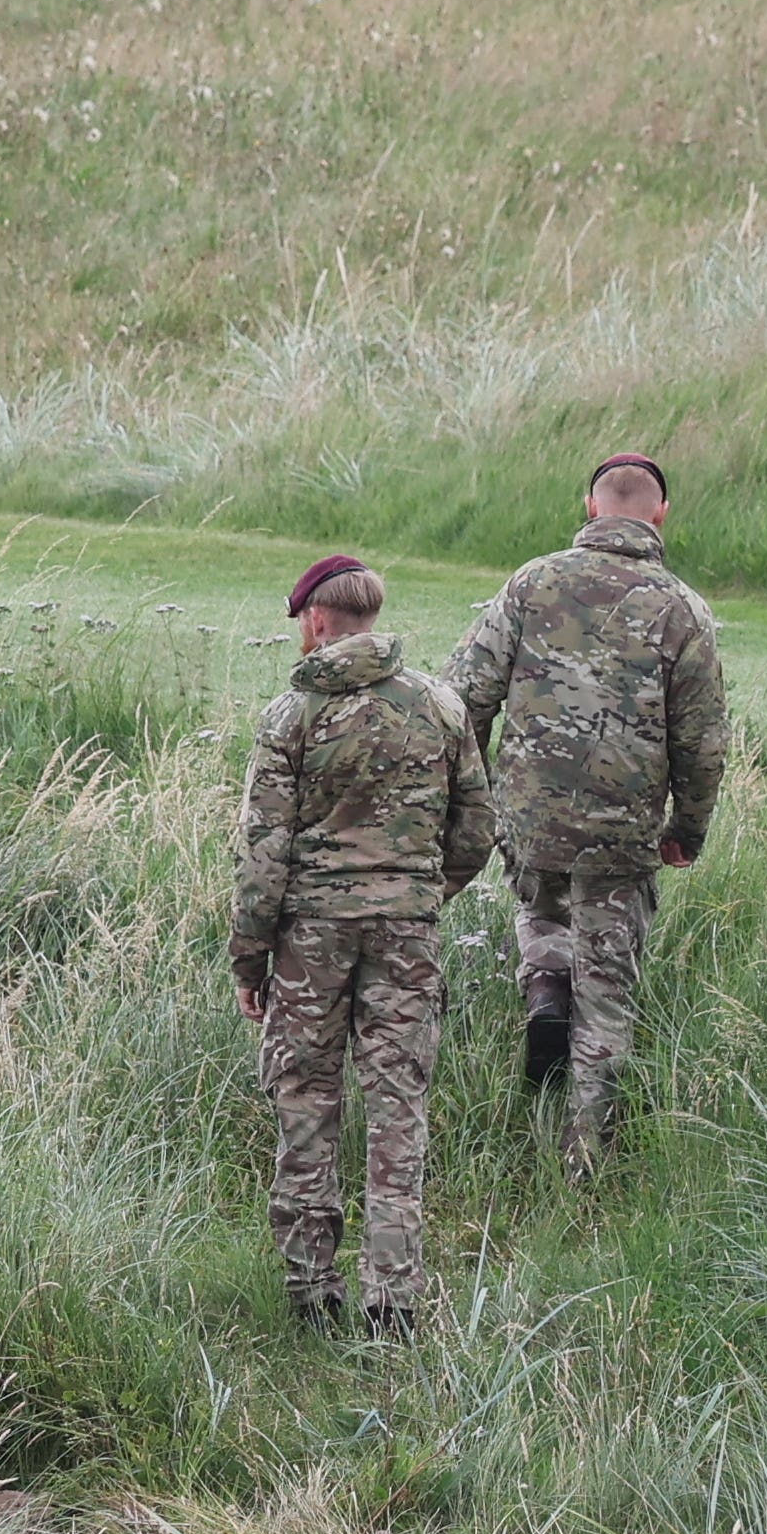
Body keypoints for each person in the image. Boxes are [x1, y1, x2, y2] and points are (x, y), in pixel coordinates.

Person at [235, 554, 492, 1330]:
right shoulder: (441, 706)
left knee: (306, 1103)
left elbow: (262, 856)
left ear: (316, 619)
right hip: (406, 932)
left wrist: (250, 956)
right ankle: (393, 1300)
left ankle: (311, 1293)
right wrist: (416, 892)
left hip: (309, 938)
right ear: (370, 617)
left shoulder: (292, 716)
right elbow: (477, 830)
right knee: (397, 1107)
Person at [456, 460, 726, 1177]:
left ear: (589, 505)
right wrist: (686, 830)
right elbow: (702, 743)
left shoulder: (530, 582)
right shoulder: (683, 609)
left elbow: (465, 699)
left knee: (542, 917)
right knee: (606, 1001)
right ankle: (586, 1168)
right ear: (661, 514)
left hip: (529, 821)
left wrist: (475, 799)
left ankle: (545, 990)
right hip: (622, 832)